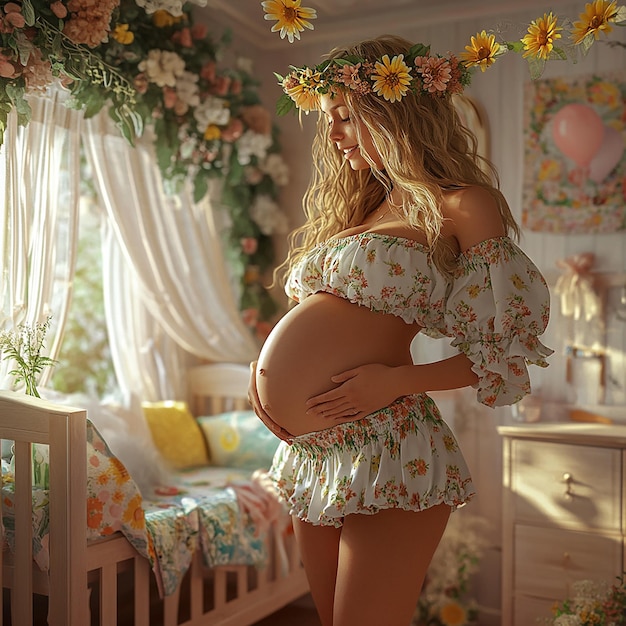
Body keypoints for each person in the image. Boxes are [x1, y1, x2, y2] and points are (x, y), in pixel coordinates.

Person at [248, 34, 552, 626]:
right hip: (317, 450)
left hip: (389, 447)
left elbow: (503, 353)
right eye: (328, 122)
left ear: (390, 112)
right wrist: (257, 381)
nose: (333, 136)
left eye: (343, 118)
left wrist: (394, 383)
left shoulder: (463, 205)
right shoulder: (363, 208)